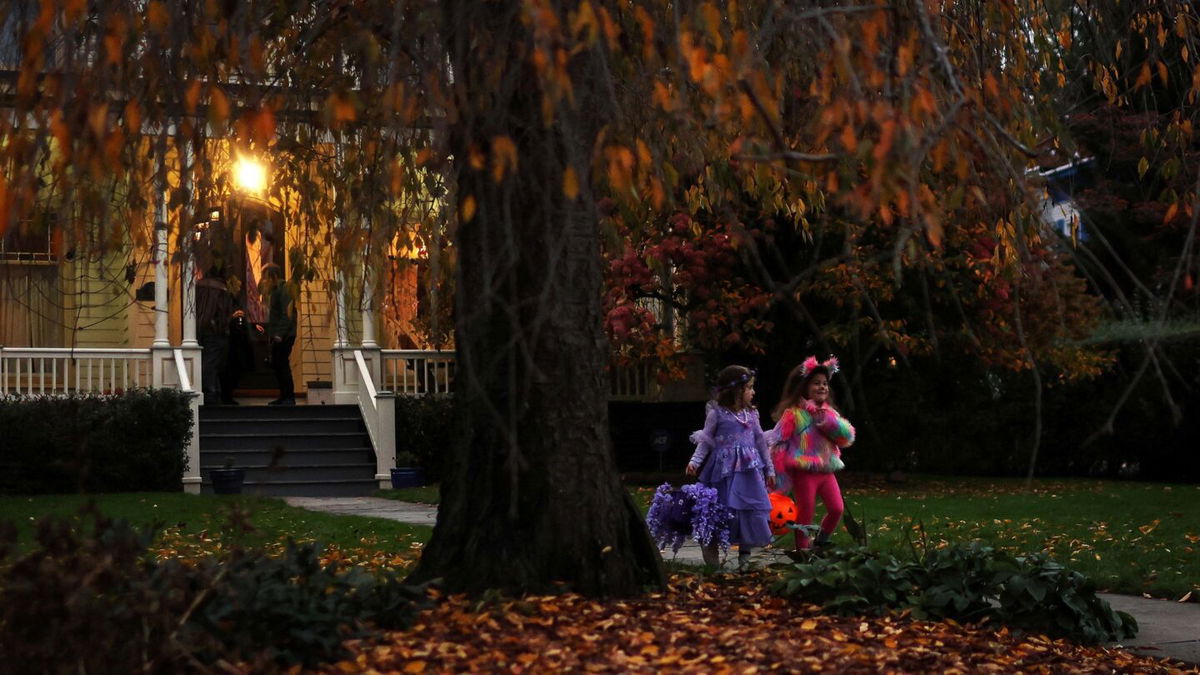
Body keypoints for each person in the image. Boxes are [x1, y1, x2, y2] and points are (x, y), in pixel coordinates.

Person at [685, 365, 776, 570]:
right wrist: (695, 461)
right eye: (749, 388)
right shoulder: (717, 414)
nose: (753, 392)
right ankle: (711, 548)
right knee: (724, 510)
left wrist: (769, 469)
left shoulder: (752, 414)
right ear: (736, 390)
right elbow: (706, 441)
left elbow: (761, 441)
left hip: (748, 471)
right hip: (723, 471)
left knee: (748, 510)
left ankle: (745, 555)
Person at [769, 356, 855, 551]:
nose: (822, 387)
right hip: (805, 471)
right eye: (816, 383)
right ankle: (802, 549)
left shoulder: (829, 413)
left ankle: (821, 540)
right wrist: (778, 475)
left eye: (825, 383)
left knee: (837, 508)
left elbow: (846, 438)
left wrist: (826, 421)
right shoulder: (793, 414)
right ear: (804, 387)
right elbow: (777, 442)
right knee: (805, 513)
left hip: (826, 470)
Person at [195, 268, 234, 406]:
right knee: (213, 362)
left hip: (201, 329)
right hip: (215, 330)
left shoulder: (198, 287)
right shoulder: (220, 290)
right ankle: (212, 392)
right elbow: (223, 311)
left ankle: (210, 391)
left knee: (207, 361)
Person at [262, 263, 296, 405]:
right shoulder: (275, 291)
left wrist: (279, 334)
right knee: (278, 364)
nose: (264, 281)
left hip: (285, 335)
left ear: (273, 277)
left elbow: (287, 314)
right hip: (278, 334)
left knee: (282, 364)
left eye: (266, 277)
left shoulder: (284, 290)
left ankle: (289, 396)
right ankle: (283, 395)